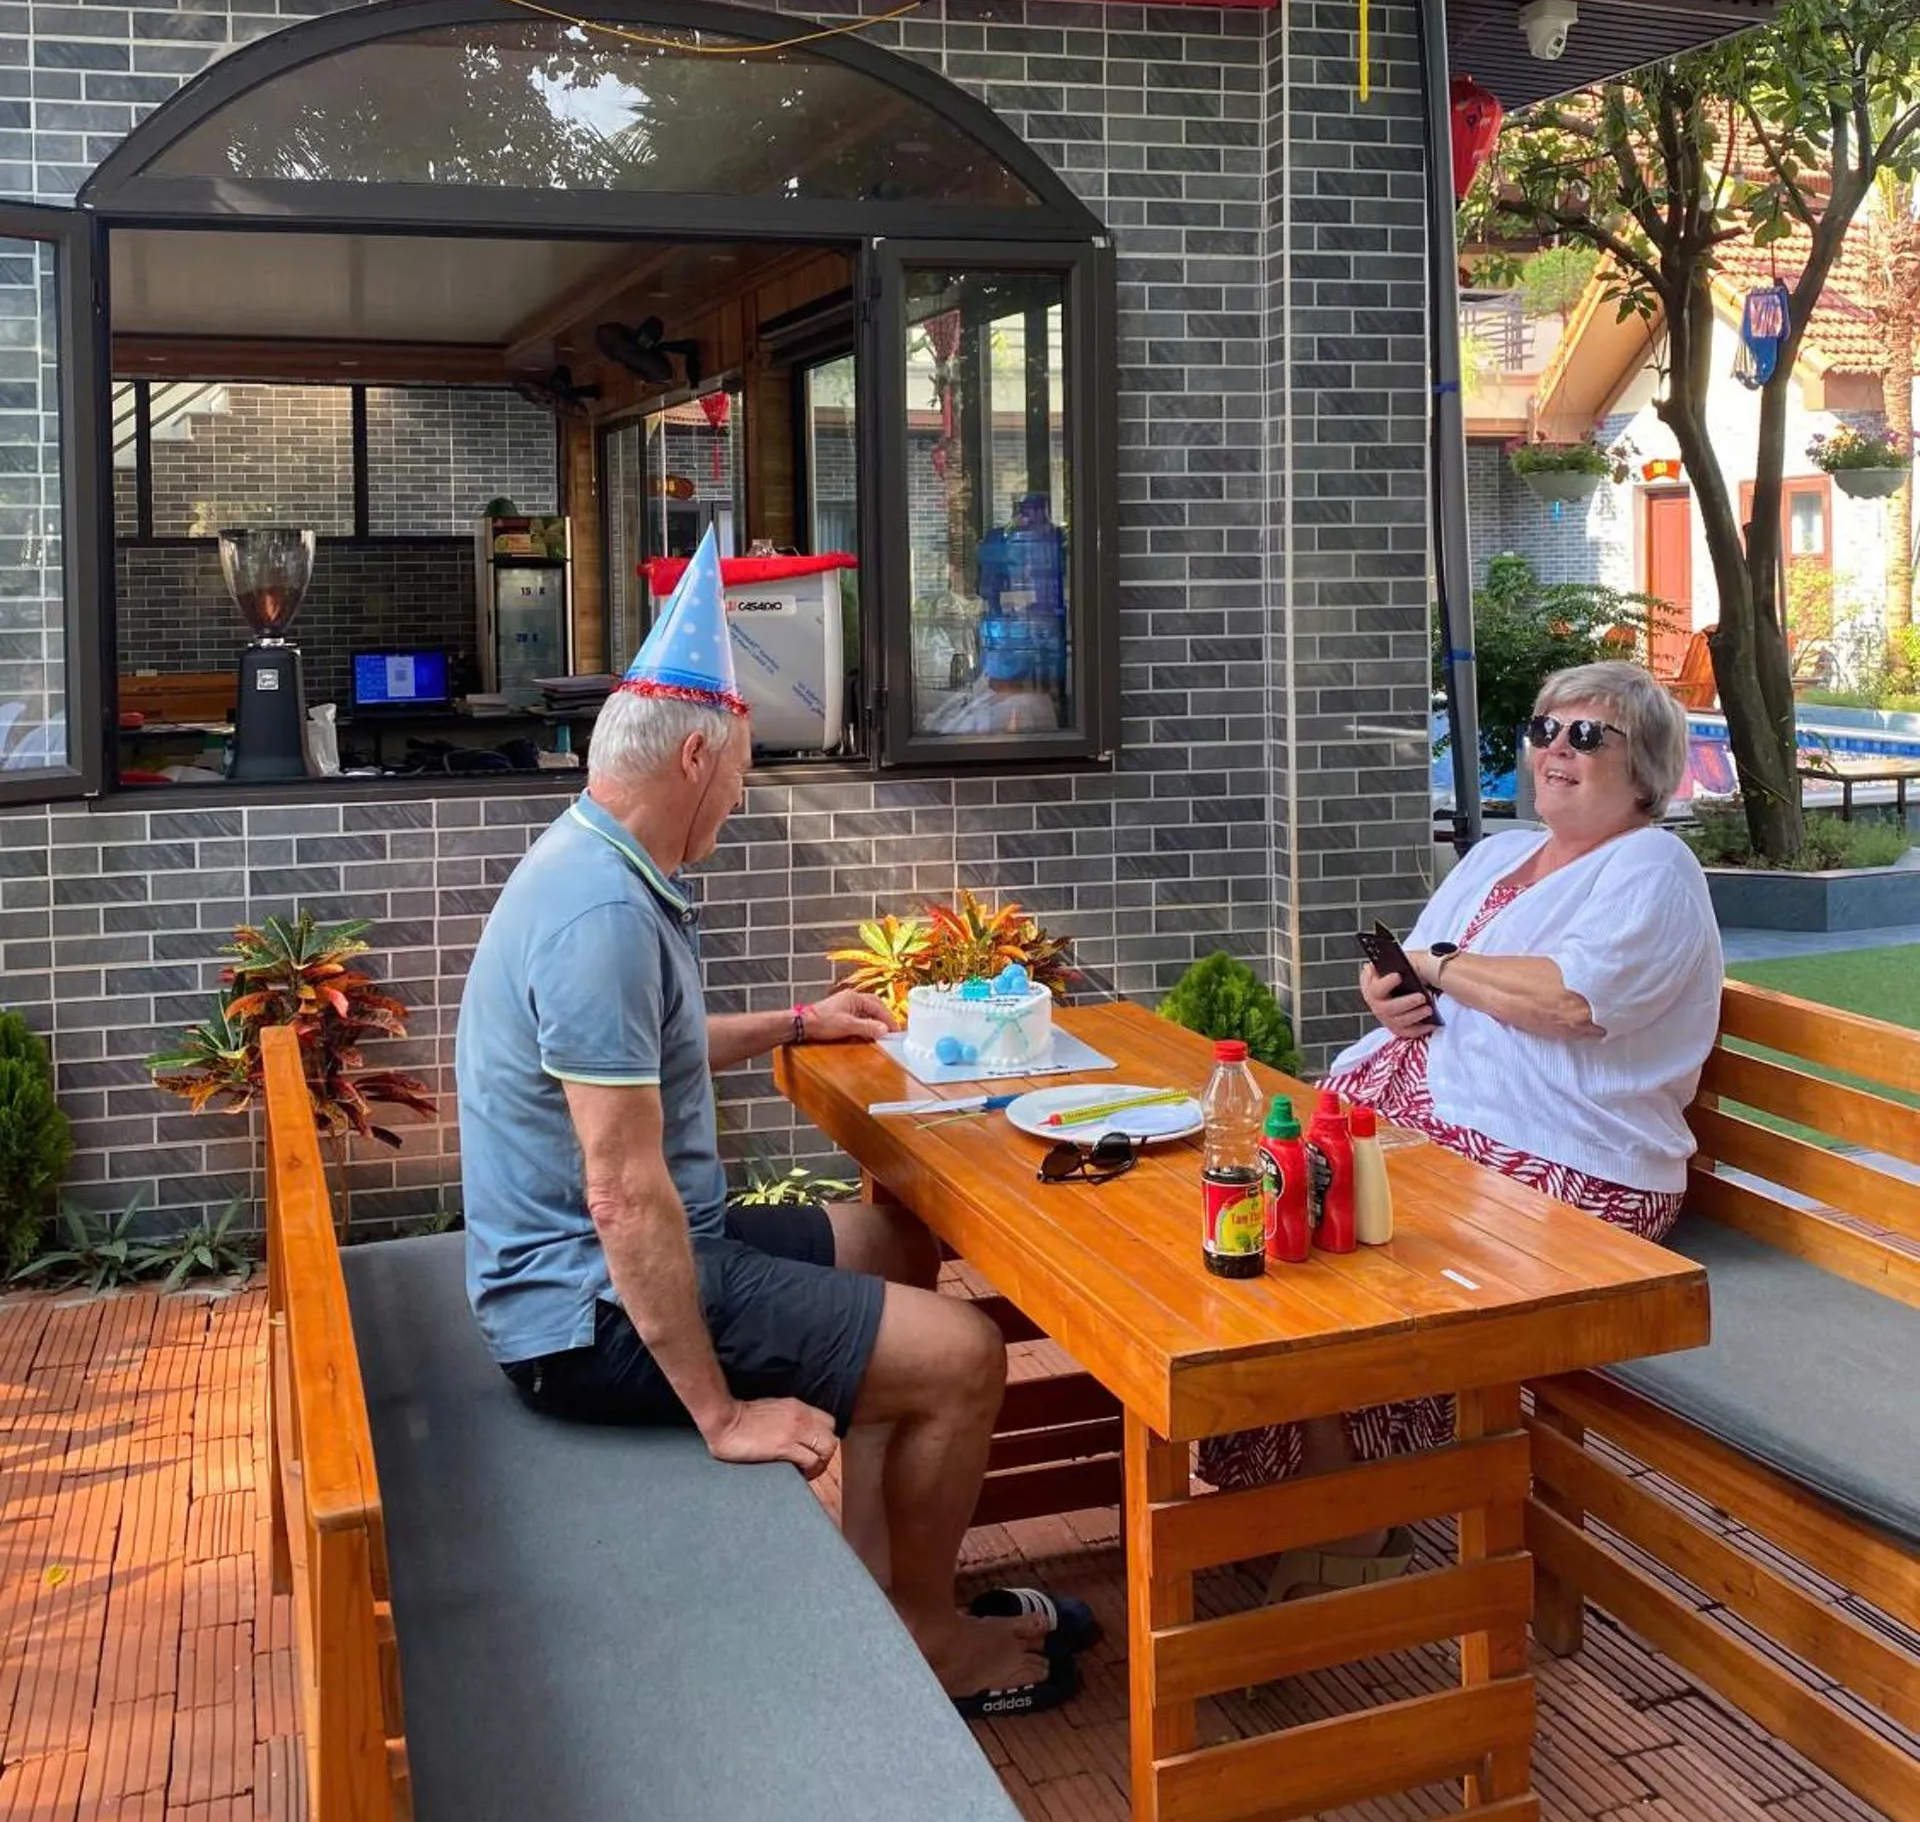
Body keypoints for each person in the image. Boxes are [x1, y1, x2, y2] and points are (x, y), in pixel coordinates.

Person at [456, 529, 1090, 1717]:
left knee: (896, 1242)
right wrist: (722, 1411)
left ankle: (881, 1591)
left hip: (623, 1260)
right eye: (744, 774)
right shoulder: (598, 913)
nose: (742, 802)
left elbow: (634, 1062)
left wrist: (797, 1022)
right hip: (583, 1316)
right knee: (964, 1357)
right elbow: (620, 1193)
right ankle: (929, 1640)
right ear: (696, 754)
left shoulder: (595, 862)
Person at [1198, 660, 1722, 1595]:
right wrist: (1393, 992)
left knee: (1340, 1253)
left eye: (1587, 736)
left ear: (1644, 769)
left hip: (1570, 1154)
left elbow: (1571, 1000)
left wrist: (1442, 968)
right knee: (1267, 1212)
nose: (1555, 750)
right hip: (1437, 1116)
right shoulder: (1496, 855)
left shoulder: (1654, 866)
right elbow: (1427, 967)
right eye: (1544, 731)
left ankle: (1357, 1523)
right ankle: (1305, 1487)